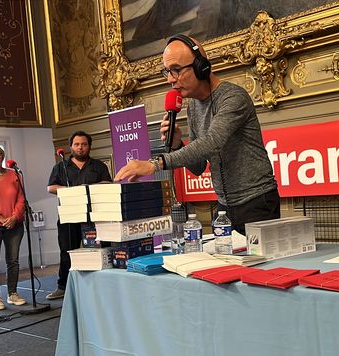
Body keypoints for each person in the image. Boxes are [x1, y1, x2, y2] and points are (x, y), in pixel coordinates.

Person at [115, 35, 280, 235]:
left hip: (257, 202)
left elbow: (212, 142)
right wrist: (177, 144)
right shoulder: (193, 106)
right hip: (224, 206)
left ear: (201, 67)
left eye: (176, 70)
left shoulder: (233, 97)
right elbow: (198, 167)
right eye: (167, 72)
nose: (170, 79)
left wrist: (155, 164)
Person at [46, 131, 112, 300]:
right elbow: (51, 187)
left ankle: (103, 282)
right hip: (69, 215)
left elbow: (107, 183)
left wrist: (89, 188)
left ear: (89, 146)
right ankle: (63, 286)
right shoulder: (60, 166)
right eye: (77, 144)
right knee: (67, 250)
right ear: (71, 147)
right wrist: (72, 191)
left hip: (95, 216)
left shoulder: (98, 166)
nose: (80, 147)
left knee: (100, 248)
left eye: (84, 144)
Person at [0, 145, 27, 310]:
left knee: (13, 261)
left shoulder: (14, 174)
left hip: (15, 224)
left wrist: (15, 217)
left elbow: (21, 198)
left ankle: (12, 293)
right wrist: (0, 218)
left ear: (3, 156)